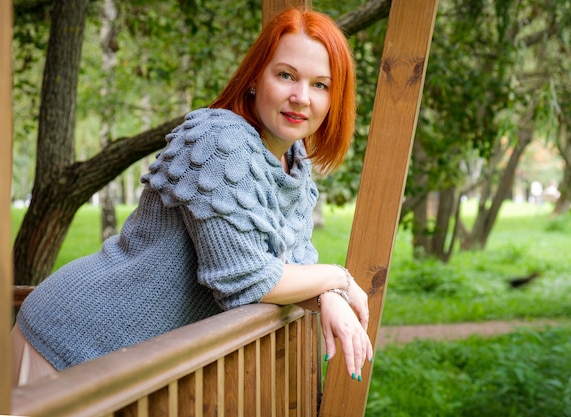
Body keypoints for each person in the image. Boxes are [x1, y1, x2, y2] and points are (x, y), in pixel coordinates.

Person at [12, 8, 373, 387]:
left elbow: (295, 269)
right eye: (286, 75)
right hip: (67, 342)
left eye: (321, 85)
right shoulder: (220, 141)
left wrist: (328, 293)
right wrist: (340, 279)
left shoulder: (295, 167)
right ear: (254, 77)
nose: (301, 97)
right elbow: (248, 281)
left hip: (126, 369)